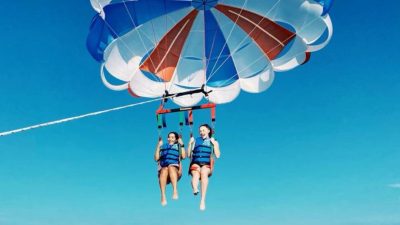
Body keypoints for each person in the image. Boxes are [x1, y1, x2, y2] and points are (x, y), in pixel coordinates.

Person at [188, 124, 220, 211]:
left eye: (203, 130)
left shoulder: (213, 141)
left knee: (204, 173)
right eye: (200, 131)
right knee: (196, 174)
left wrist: (214, 144)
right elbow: (188, 155)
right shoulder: (195, 140)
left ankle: (202, 200)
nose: (201, 132)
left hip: (206, 164)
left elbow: (217, 155)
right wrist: (190, 144)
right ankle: (195, 188)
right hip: (195, 162)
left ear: (208, 131)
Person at [154, 132, 186, 206]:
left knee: (171, 167)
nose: (170, 139)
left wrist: (182, 145)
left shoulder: (178, 146)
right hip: (164, 172)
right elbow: (156, 158)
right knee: (165, 168)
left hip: (175, 171)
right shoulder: (163, 146)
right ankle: (163, 195)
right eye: (169, 137)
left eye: (172, 137)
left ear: (176, 139)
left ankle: (175, 190)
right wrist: (158, 146)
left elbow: (184, 156)